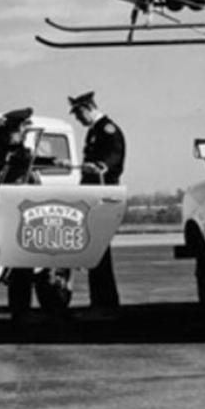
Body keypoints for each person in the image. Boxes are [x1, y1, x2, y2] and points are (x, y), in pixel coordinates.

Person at [0, 108, 44, 322]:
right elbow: (19, 175)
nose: (22, 132)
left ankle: (20, 309)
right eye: (21, 128)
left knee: (22, 266)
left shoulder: (6, 149)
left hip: (14, 210)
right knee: (21, 265)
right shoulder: (11, 152)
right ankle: (21, 311)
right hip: (16, 212)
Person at [69, 91, 125, 315]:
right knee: (96, 251)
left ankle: (106, 302)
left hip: (104, 194)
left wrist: (101, 166)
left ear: (88, 108)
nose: (78, 119)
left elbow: (114, 156)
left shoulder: (107, 129)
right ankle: (100, 301)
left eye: (79, 114)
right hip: (93, 194)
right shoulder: (94, 131)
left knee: (100, 250)